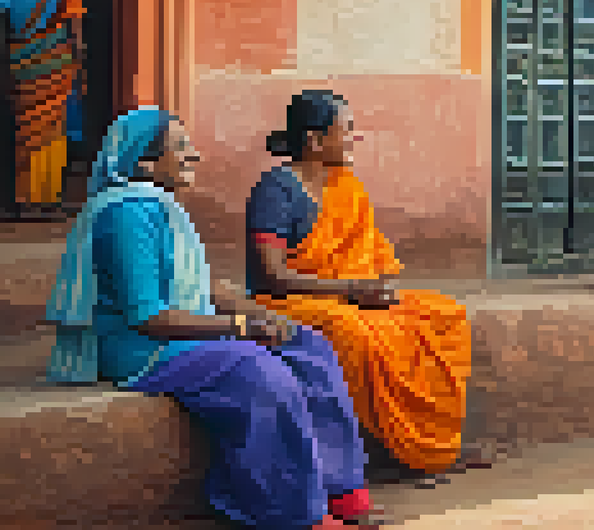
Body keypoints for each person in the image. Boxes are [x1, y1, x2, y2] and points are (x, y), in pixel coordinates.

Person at [42, 108, 374, 529]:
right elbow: (148, 315)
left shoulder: (160, 207)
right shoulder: (125, 215)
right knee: (262, 373)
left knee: (307, 345)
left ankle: (340, 491)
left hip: (183, 335)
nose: (194, 155)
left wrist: (263, 315)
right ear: (144, 161)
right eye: (180, 147)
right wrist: (239, 328)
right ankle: (290, 513)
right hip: (143, 348)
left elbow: (201, 286)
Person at [246, 90, 472, 477]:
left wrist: (376, 288)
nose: (355, 138)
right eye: (347, 129)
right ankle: (376, 451)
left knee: (444, 315)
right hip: (286, 300)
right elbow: (273, 277)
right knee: (355, 333)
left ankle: (429, 440)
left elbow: (372, 257)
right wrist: (351, 290)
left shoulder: (345, 186)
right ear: (316, 141)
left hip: (346, 295)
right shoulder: (277, 189)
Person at [2, 0, 85, 218]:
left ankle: (26, 200)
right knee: (52, 134)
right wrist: (80, 69)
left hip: (22, 69)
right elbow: (75, 34)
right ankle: (49, 200)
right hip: (56, 68)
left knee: (26, 133)